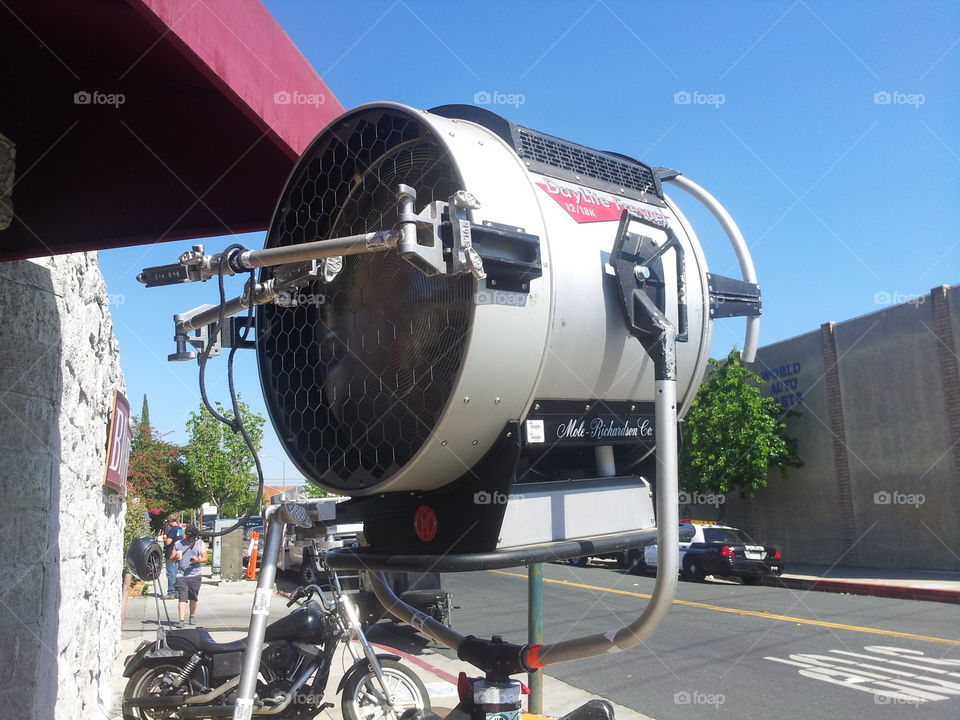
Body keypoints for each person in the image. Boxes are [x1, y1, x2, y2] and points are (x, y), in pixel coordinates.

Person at [171, 525, 208, 627]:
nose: (189, 538)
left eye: (192, 537)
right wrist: (175, 557)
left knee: (193, 597)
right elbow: (171, 558)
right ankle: (181, 620)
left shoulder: (200, 544)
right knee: (182, 597)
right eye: (188, 535)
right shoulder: (178, 544)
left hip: (195, 574)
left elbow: (205, 558)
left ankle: (192, 616)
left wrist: (198, 560)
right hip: (181, 575)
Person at [159, 515, 183, 599]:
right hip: (178, 553)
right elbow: (182, 539)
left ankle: (171, 592)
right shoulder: (180, 529)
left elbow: (168, 542)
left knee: (171, 574)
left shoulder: (172, 530)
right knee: (176, 573)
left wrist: (164, 538)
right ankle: (177, 592)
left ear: (170, 521)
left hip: (171, 554)